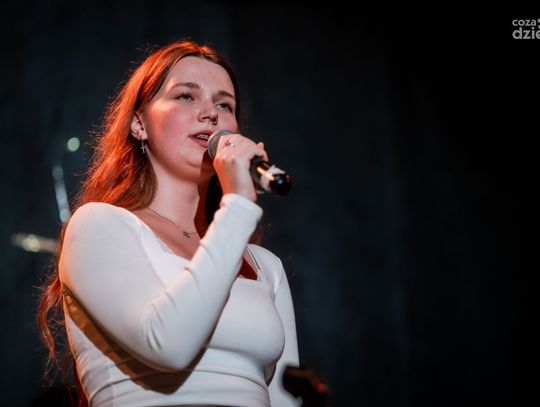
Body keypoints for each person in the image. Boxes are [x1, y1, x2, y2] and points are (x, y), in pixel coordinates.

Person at [38, 39, 300, 407]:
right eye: (186, 96)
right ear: (139, 123)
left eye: (224, 105)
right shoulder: (98, 225)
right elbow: (167, 345)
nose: (210, 114)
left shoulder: (264, 266)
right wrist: (239, 205)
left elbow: (286, 396)